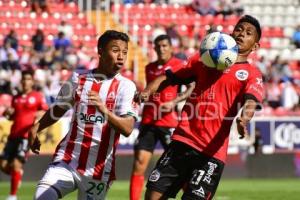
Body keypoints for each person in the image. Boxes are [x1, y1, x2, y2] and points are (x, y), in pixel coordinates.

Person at [136, 15, 264, 200]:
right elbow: (168, 77)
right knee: (152, 196)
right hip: (182, 142)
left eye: (248, 33)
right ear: (231, 32)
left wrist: (244, 117)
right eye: (239, 29)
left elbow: (251, 100)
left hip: (212, 153)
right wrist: (148, 90)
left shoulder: (252, 74)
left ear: (255, 46)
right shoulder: (203, 59)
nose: (242, 34)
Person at [28, 30, 138, 200]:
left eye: (124, 52)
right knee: (42, 197)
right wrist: (37, 126)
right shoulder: (77, 79)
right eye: (115, 50)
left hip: (99, 169)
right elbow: (59, 108)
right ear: (100, 51)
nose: (121, 57)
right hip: (67, 159)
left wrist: (104, 110)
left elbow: (128, 128)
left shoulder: (126, 86)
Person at [130, 35, 195, 200]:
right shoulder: (149, 67)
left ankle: (192, 196)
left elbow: (191, 88)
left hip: (169, 122)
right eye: (158, 46)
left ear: (171, 48)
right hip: (148, 121)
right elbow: (150, 89)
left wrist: (174, 101)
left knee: (177, 166)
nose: (161, 49)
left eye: (165, 45)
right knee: (139, 163)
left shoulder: (178, 65)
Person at [0, 70, 48, 200]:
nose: (25, 82)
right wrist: (7, 113)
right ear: (21, 81)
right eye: (24, 79)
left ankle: (12, 196)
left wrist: (39, 114)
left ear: (32, 81)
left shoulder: (37, 96)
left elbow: (45, 110)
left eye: (28, 79)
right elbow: (11, 117)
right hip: (13, 135)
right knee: (3, 165)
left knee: (16, 163)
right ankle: (18, 174)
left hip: (25, 136)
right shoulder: (16, 98)